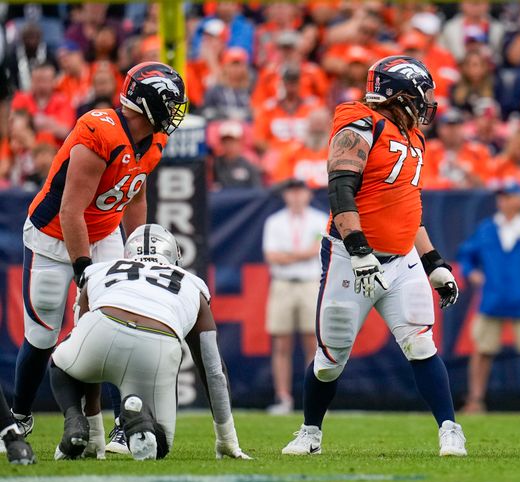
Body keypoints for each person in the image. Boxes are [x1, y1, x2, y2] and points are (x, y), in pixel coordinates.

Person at [281, 56, 466, 457]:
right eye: (421, 96)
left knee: (421, 343)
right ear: (399, 96)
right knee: (330, 359)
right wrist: (360, 251)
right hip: (351, 259)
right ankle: (310, 431)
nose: (426, 104)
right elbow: (340, 190)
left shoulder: (413, 137)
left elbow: (407, 209)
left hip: (402, 260)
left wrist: (434, 262)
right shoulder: (361, 123)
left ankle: (450, 429)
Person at [10, 62, 187, 456]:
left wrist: (137, 249)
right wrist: (82, 269)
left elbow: (136, 193)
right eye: (171, 101)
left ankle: (122, 425)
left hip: (106, 232)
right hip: (53, 238)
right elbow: (72, 210)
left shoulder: (155, 139)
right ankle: (19, 416)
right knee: (41, 337)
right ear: (148, 101)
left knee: (118, 322)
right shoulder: (100, 131)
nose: (176, 111)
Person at [49, 225, 250, 461]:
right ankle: (139, 415)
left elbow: (83, 363)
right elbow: (213, 370)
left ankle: (74, 420)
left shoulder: (99, 271)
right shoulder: (192, 284)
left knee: (61, 363)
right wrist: (227, 439)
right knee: (160, 444)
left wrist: (94, 433)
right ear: (174, 256)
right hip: (157, 342)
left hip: (103, 325)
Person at [458, 184, 520, 413]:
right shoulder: (487, 228)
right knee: (482, 350)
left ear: (519, 200)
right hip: (492, 299)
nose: (504, 201)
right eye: (502, 197)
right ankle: (475, 400)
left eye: (509, 196)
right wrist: (471, 273)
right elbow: (466, 255)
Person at [262, 179, 328, 414]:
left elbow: (318, 252)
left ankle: (314, 398)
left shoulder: (320, 220)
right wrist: (303, 255)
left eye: (300, 192)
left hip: (310, 283)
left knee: (313, 342)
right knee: (281, 343)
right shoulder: (275, 221)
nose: (296, 196)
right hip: (283, 284)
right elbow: (272, 256)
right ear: (286, 195)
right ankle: (283, 397)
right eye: (292, 192)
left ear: (308, 194)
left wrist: (289, 255)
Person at [211, 121, 262, 189]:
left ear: (240, 142)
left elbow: (257, 191)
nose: (229, 145)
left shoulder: (248, 165)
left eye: (232, 141)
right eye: (226, 141)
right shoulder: (216, 164)